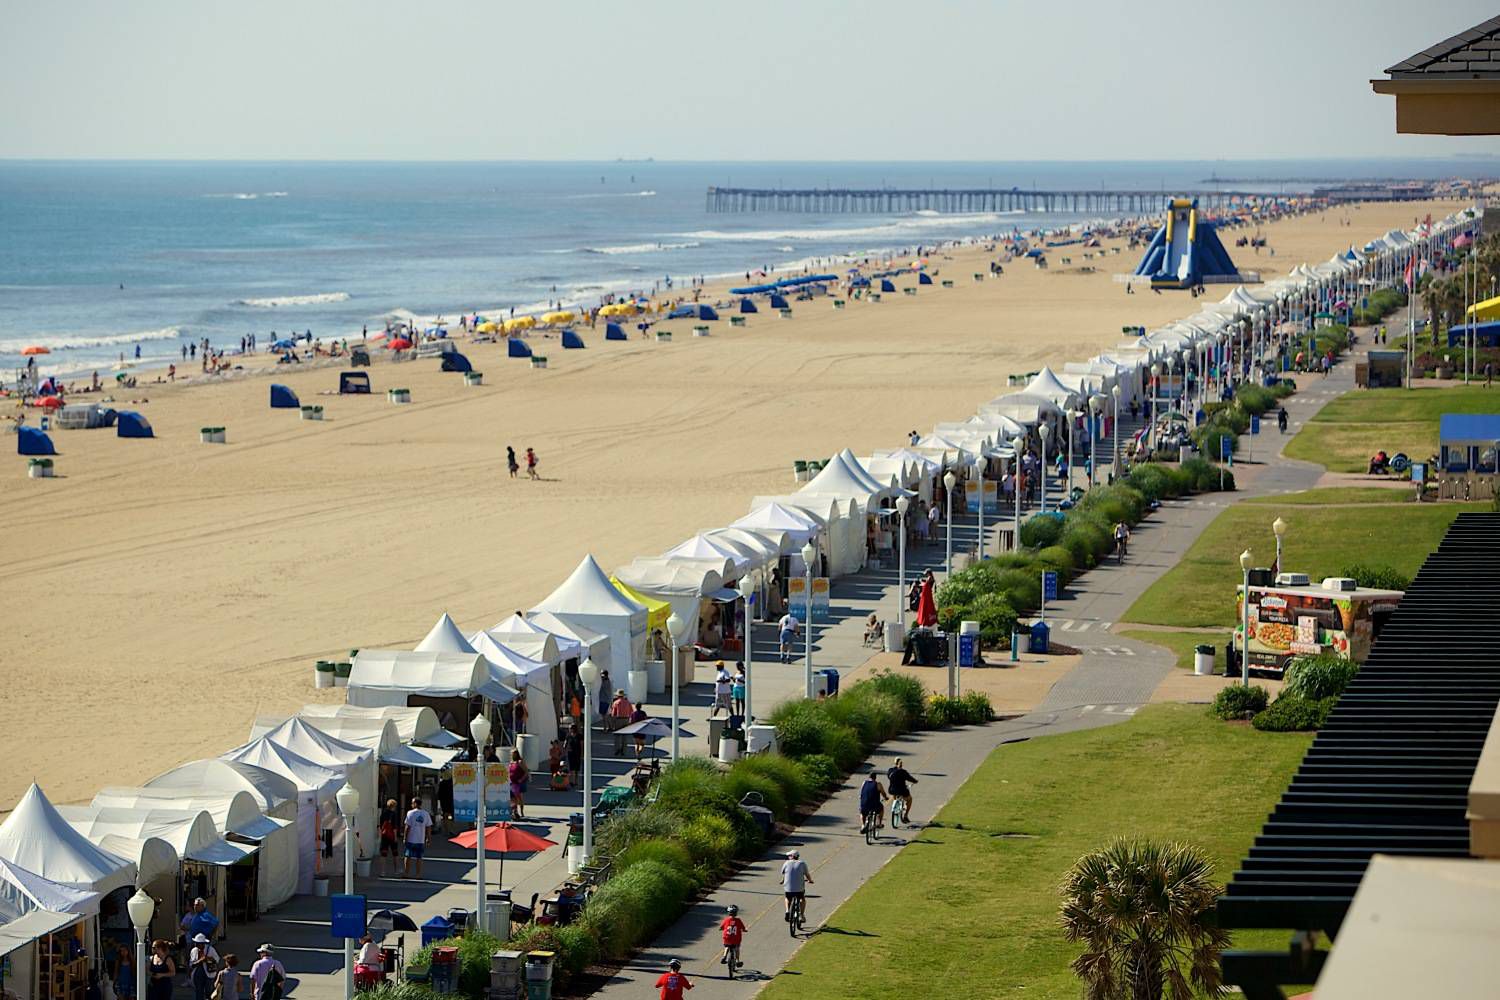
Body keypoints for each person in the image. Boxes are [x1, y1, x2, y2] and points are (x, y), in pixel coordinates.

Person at [402, 796, 432, 877]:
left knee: (408, 856)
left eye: (412, 803)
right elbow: (428, 827)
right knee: (419, 857)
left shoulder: (410, 813)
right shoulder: (425, 814)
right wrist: (428, 838)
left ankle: (406, 873)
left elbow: (407, 826)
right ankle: (418, 874)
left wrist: (405, 837)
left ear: (415, 804)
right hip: (420, 839)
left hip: (411, 839)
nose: (411, 804)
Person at [780, 849, 813, 919]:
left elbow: (784, 873)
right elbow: (807, 874)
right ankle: (801, 914)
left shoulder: (786, 863)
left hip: (788, 888)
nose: (788, 857)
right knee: (802, 899)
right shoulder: (802, 863)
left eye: (789, 856)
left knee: (787, 898)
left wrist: (783, 881)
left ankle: (787, 911)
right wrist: (810, 880)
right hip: (799, 888)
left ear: (792, 856)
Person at [886, 758, 917, 828]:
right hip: (902, 790)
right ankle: (905, 815)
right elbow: (910, 778)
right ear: (901, 764)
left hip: (892, 790)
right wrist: (915, 781)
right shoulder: (903, 772)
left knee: (894, 794)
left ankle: (895, 802)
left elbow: (888, 777)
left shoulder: (890, 770)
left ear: (895, 763)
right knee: (909, 799)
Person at [188, 932, 220, 1000]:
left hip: (209, 974)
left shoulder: (210, 949)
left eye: (198, 943)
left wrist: (208, 959)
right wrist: (200, 961)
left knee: (209, 992)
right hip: (198, 974)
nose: (196, 944)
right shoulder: (194, 951)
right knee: (199, 992)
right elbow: (191, 964)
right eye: (195, 942)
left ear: (203, 943)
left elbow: (217, 960)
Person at [859, 768, 888, 833]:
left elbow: (861, 794)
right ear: (875, 778)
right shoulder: (878, 784)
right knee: (881, 809)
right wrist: (886, 798)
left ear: (869, 777)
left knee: (862, 812)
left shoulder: (864, 783)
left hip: (864, 805)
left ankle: (863, 825)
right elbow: (883, 793)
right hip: (874, 805)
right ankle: (879, 823)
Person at [608, 689, 634, 754]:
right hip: (626, 719)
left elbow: (613, 714)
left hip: (618, 720)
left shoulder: (616, 702)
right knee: (624, 736)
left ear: (617, 696)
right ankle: (624, 750)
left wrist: (612, 723)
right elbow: (631, 712)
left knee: (617, 736)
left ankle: (617, 749)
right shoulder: (628, 702)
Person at [378, 798, 401, 875]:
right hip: (391, 836)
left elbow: (380, 826)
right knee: (395, 853)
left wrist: (380, 835)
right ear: (394, 806)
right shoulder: (393, 814)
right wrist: (395, 837)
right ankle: (396, 870)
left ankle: (382, 871)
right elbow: (394, 827)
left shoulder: (383, 813)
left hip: (384, 835)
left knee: (383, 854)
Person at [509, 750, 529, 819]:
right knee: (513, 798)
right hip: (512, 782)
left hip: (519, 782)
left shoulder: (520, 762)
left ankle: (521, 811)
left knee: (519, 798)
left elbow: (526, 772)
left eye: (513, 754)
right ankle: (515, 811)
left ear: (516, 754)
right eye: (511, 754)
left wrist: (521, 779)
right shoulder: (511, 762)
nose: (512, 755)